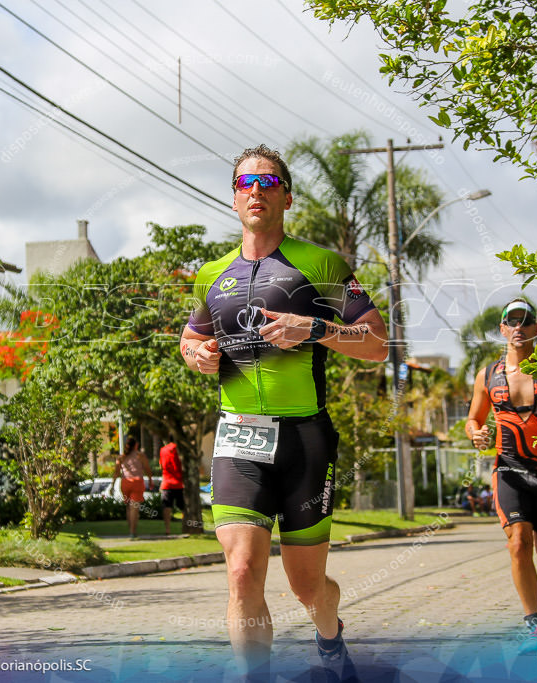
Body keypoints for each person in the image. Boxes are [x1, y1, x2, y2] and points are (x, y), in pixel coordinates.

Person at [179, 144, 387, 681]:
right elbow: (191, 338)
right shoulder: (212, 274)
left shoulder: (321, 265)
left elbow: (377, 343)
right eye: (245, 183)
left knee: (306, 586)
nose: (256, 191)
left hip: (304, 440)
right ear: (233, 198)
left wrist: (314, 328)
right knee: (243, 569)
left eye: (268, 183)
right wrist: (197, 354)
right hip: (237, 439)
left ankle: (329, 634)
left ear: (287, 197)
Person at [465, 298, 537, 653]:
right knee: (517, 543)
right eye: (510, 321)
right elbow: (474, 419)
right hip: (509, 469)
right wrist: (476, 434)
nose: (518, 327)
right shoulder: (488, 375)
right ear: (501, 329)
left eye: (525, 321)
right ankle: (534, 626)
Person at [110, 436, 152, 540]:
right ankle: (132, 532)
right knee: (134, 508)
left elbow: (116, 472)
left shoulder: (121, 457)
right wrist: (150, 480)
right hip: (137, 482)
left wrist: (112, 485)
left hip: (125, 483)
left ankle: (131, 531)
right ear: (136, 445)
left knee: (129, 507)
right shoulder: (140, 456)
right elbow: (147, 469)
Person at [159, 442, 185, 536]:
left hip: (167, 483)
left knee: (167, 507)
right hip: (179, 482)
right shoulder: (180, 448)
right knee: (183, 507)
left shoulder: (163, 450)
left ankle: (167, 529)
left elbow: (161, 465)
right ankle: (184, 526)